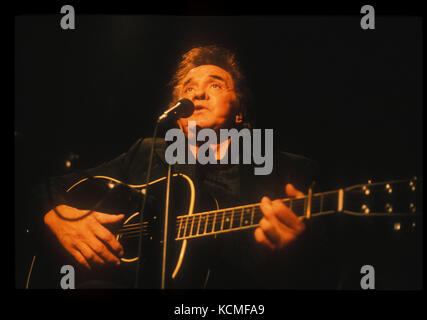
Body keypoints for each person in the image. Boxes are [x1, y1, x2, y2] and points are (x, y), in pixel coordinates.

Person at [29, 45, 336, 289]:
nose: (198, 94)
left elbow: (324, 267)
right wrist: (57, 215)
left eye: (215, 85)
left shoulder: (287, 170)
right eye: (188, 89)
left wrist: (294, 255)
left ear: (239, 111)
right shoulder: (146, 153)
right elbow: (47, 187)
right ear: (177, 115)